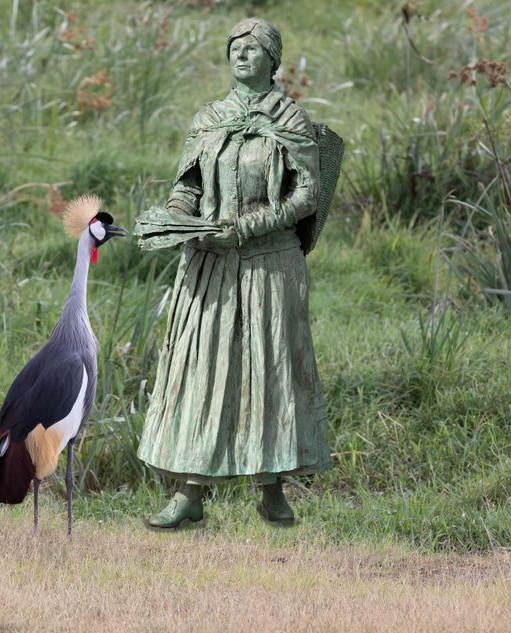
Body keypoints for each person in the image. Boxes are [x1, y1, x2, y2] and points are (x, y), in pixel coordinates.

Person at [138, 17, 331, 528]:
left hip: (271, 266)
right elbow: (189, 185)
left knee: (268, 370)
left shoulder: (291, 120)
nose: (242, 56)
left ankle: (272, 490)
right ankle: (189, 494)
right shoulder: (210, 118)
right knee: (202, 370)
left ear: (273, 59)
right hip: (209, 263)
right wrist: (176, 218)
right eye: (235, 48)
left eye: (253, 48)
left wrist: (246, 228)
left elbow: (307, 194)